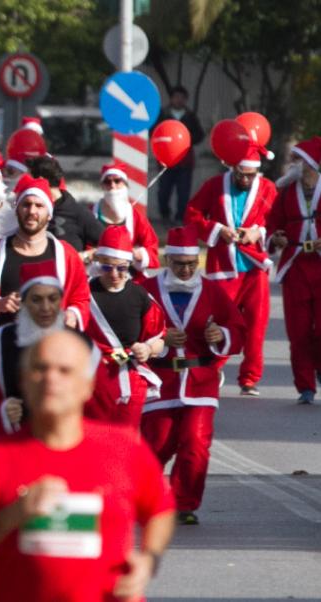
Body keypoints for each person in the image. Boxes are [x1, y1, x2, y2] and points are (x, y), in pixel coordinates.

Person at [0, 331, 176, 602]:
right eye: (40, 368)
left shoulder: (123, 449)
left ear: (88, 385)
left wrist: (149, 558)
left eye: (65, 371)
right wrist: (11, 516)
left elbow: (161, 509)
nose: (52, 379)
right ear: (24, 381)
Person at [141, 227, 245, 526]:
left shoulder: (213, 291)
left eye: (191, 264)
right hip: (161, 381)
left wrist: (220, 334)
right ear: (167, 259)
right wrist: (159, 339)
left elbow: (238, 330)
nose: (186, 270)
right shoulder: (146, 289)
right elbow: (130, 328)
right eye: (179, 264)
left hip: (200, 380)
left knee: (195, 443)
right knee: (156, 444)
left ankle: (184, 503)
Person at [0, 260, 96, 439]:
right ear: (23, 303)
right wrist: (0, 411)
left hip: (65, 445)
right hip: (8, 448)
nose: (46, 308)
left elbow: (102, 403)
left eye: (52, 298)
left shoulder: (80, 345)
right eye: (36, 299)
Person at [184, 145, 276, 396]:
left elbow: (277, 221)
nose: (245, 179)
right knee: (220, 322)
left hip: (255, 268)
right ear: (233, 169)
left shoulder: (268, 189)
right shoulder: (214, 186)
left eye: (250, 175)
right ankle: (212, 367)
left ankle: (249, 378)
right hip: (223, 267)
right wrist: (217, 230)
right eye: (241, 174)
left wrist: (259, 232)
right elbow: (192, 215)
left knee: (256, 325)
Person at [0, 174, 90, 333]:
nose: (32, 211)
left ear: (49, 213)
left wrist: (73, 314)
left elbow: (81, 299)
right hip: (2, 347)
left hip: (49, 349)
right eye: (26, 204)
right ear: (17, 210)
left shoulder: (67, 255)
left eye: (39, 205)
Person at [83, 228, 166, 428]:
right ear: (98, 261)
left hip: (130, 381)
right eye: (107, 267)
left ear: (129, 264)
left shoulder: (140, 297)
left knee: (124, 447)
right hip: (90, 382)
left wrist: (147, 349)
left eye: (121, 268)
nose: (114, 274)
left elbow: (159, 340)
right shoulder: (83, 293)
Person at [266, 137, 321, 403]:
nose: (296, 166)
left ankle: (318, 366)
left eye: (300, 161)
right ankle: (305, 387)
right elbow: (272, 226)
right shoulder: (287, 194)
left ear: (312, 165)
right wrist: (275, 238)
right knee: (298, 330)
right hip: (296, 265)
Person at [91, 162, 160, 280]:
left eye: (117, 181)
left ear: (125, 184)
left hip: (128, 276)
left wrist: (139, 255)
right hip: (98, 276)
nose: (113, 186)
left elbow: (152, 247)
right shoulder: (91, 213)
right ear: (102, 186)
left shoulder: (136, 217)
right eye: (108, 182)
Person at [29, 155, 104, 252]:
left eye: (30, 181)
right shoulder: (28, 211)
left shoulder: (78, 213)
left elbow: (109, 244)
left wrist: (83, 257)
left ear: (41, 180)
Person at [155, 85, 206, 224]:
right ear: (171, 98)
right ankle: (165, 214)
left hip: (185, 161)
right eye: (176, 97)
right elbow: (154, 133)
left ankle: (180, 218)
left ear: (185, 100)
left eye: (181, 98)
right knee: (163, 192)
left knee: (183, 193)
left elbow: (200, 135)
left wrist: (186, 138)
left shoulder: (190, 116)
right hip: (165, 161)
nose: (178, 100)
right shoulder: (163, 114)